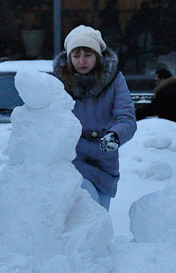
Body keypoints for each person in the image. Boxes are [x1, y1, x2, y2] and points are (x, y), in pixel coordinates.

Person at [52, 25, 136, 211]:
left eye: (88, 55)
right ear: (69, 58)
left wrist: (115, 136)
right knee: (88, 209)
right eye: (76, 56)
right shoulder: (57, 83)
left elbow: (127, 118)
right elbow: (48, 119)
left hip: (106, 161)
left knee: (99, 220)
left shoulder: (115, 80)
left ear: (97, 56)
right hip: (74, 158)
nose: (82, 61)